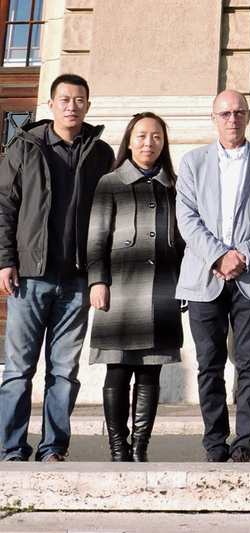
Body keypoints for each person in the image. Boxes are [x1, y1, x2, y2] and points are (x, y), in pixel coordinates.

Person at [0, 74, 115, 462]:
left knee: (64, 372)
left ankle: (53, 449)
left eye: (79, 99)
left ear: (87, 105)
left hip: (77, 279)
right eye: (64, 99)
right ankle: (12, 449)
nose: (72, 106)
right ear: (50, 105)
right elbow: (4, 207)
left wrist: (99, 275)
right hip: (29, 277)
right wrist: (5, 260)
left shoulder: (100, 154)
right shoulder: (25, 147)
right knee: (18, 370)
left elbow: (107, 217)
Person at [176, 90, 250, 463]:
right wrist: (219, 256)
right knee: (209, 364)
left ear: (248, 116)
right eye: (224, 113)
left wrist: (245, 255)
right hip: (204, 277)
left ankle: (244, 443)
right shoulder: (193, 162)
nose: (232, 119)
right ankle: (215, 442)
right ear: (213, 118)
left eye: (239, 112)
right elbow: (187, 218)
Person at [86, 112, 184, 462]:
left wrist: (184, 285)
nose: (148, 143)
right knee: (117, 368)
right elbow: (96, 237)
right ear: (129, 141)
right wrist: (97, 281)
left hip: (162, 290)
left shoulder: (174, 186)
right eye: (141, 136)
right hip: (120, 290)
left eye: (156, 136)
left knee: (150, 370)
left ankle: (140, 448)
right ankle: (118, 449)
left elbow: (182, 242)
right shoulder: (111, 182)